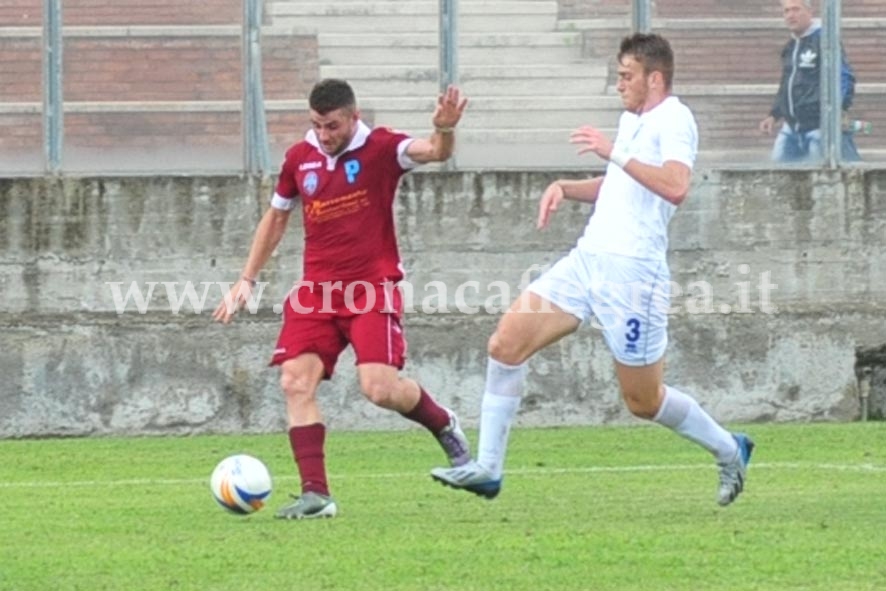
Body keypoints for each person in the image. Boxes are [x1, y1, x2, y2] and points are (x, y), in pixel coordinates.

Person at [431, 33, 754, 507]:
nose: (619, 84)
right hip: (588, 261)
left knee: (643, 401)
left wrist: (612, 151)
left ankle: (730, 448)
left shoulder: (675, 118)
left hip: (633, 276)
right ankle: (488, 468)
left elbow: (676, 185)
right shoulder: (632, 120)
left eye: (627, 76)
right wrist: (566, 185)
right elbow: (620, 183)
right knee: (505, 344)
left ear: (655, 78)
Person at [213, 79, 471, 519]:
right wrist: (246, 279)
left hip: (371, 288)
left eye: (332, 126)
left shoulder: (383, 148)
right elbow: (276, 217)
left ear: (353, 117)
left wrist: (445, 130)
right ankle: (316, 495)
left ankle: (442, 422)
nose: (325, 134)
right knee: (295, 382)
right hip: (316, 292)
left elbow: (436, 151)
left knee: (379, 389)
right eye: (317, 125)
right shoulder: (300, 157)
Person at [758, 0, 860, 162]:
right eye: (786, 11)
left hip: (818, 128)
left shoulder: (825, 40)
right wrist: (774, 114)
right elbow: (786, 84)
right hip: (791, 128)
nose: (790, 15)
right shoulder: (790, 46)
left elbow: (844, 76)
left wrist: (836, 110)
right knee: (777, 178)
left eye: (796, 9)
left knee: (826, 180)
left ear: (809, 12)